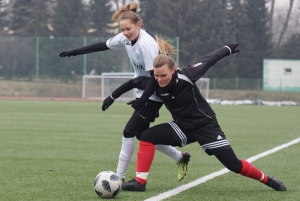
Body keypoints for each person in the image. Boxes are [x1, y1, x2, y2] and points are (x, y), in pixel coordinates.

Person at [107, 39, 287, 192]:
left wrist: (227, 49)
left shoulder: (187, 75)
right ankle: (140, 182)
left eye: (163, 75)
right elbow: (133, 82)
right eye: (156, 76)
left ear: (173, 70)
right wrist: (113, 97)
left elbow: (207, 60)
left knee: (233, 165)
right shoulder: (153, 82)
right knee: (146, 136)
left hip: (205, 126)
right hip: (182, 127)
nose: (160, 80)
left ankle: (268, 180)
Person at [58, 2, 190, 182]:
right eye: (123, 30)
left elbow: (154, 79)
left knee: (128, 132)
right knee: (143, 135)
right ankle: (179, 157)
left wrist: (142, 100)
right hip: (143, 91)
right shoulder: (126, 38)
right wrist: (76, 52)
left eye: (129, 29)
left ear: (138, 25)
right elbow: (102, 45)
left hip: (154, 93)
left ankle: (118, 178)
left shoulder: (146, 45)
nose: (126, 33)